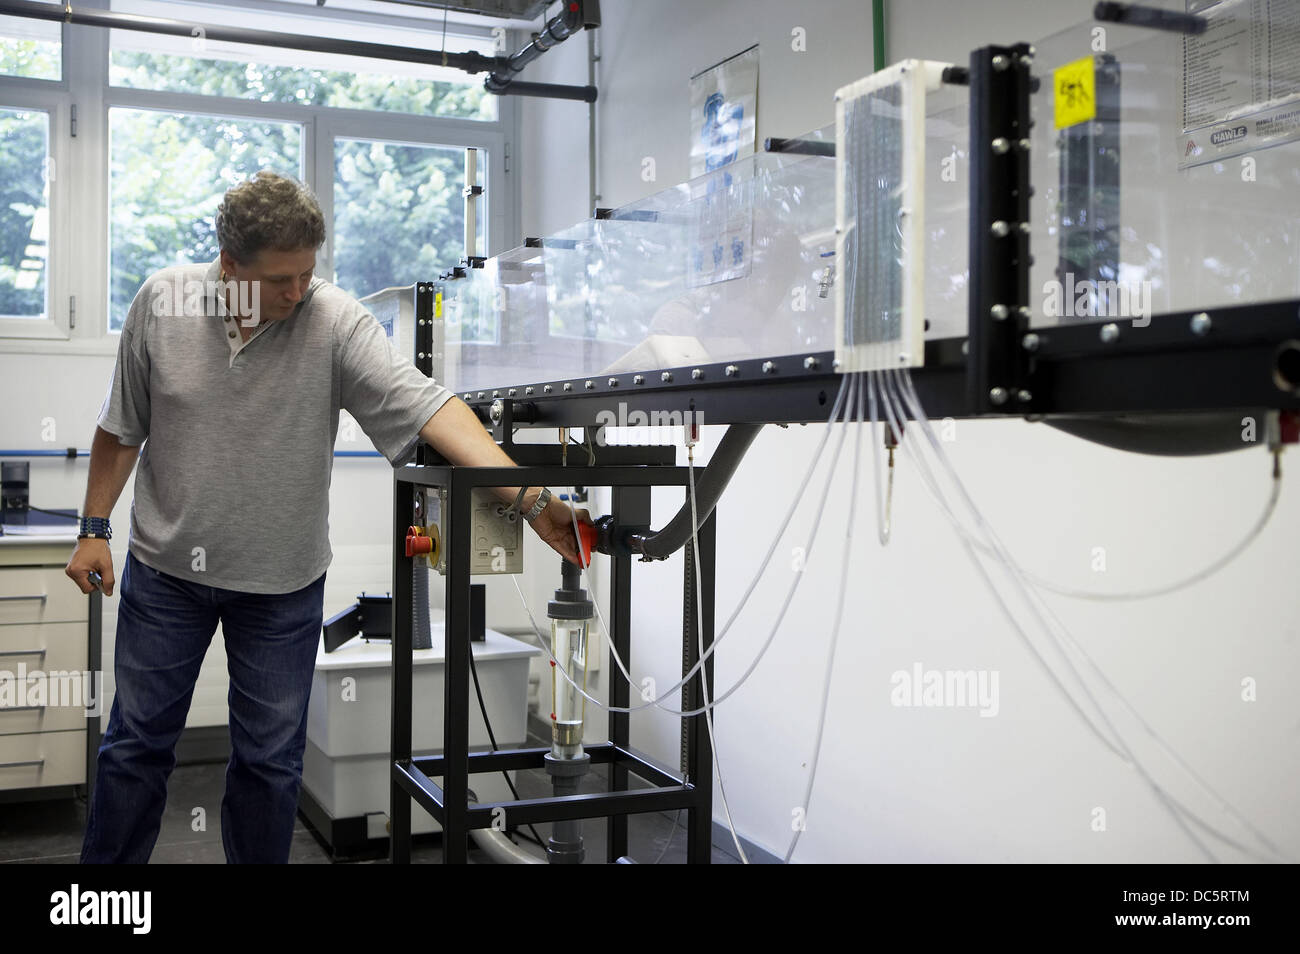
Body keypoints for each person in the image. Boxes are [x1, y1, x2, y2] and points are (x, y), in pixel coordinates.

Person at [65, 170, 584, 864]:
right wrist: (94, 530)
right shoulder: (162, 304)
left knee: (269, 764)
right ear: (229, 266)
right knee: (135, 749)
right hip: (167, 577)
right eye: (282, 278)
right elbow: (121, 428)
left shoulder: (333, 319)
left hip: (282, 587)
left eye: (309, 271)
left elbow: (432, 408)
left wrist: (533, 499)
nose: (298, 290)